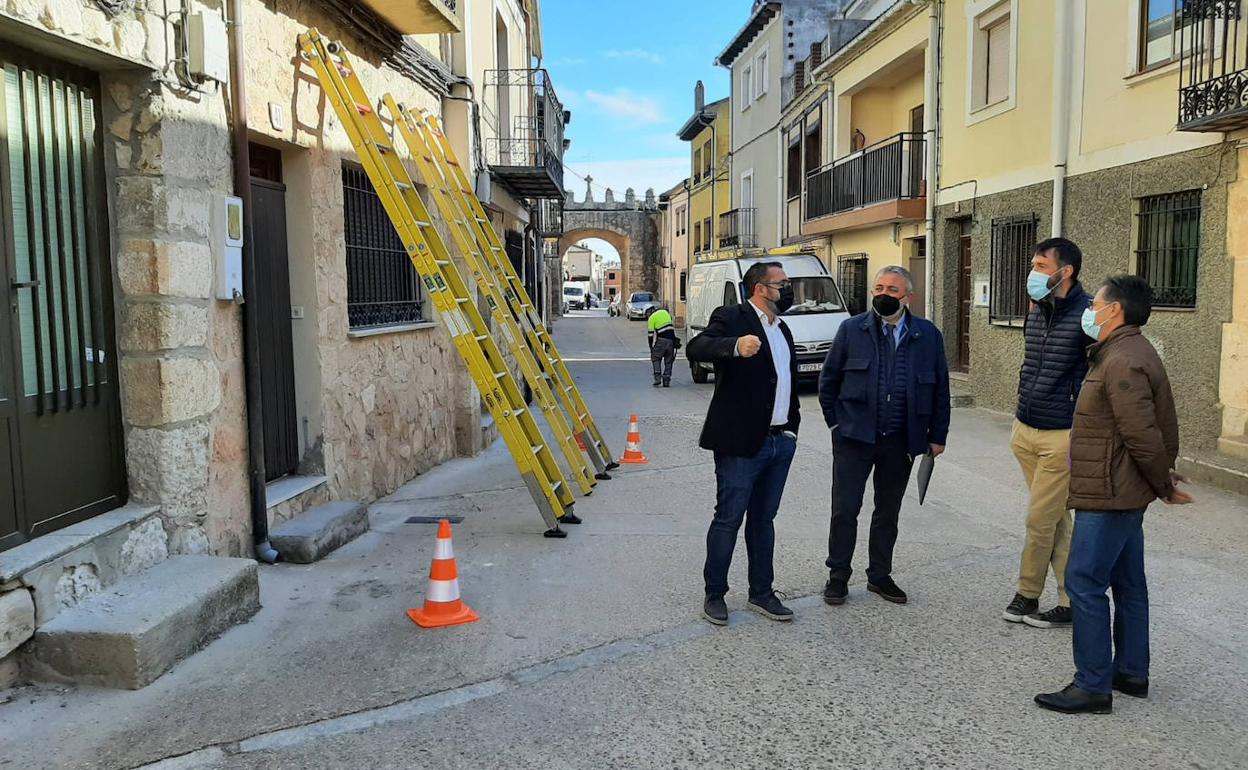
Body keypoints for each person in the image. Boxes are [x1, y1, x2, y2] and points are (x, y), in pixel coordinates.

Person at [1035, 275, 1192, 715]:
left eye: (1096, 303)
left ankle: (1092, 685)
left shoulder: (1122, 359)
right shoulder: (1125, 351)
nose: (1090, 309)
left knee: (1084, 583)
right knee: (1128, 583)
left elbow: (1141, 433)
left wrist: (1164, 485)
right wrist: (1158, 481)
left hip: (1110, 491)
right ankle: (1130, 672)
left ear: (1114, 310)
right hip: (1121, 487)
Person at [818, 266, 950, 606]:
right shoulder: (851, 330)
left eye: (892, 289)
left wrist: (938, 435)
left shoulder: (928, 335)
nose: (884, 294)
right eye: (879, 287)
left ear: (908, 296)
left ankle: (879, 575)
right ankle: (838, 576)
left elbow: (940, 391)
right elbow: (827, 383)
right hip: (854, 438)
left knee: (887, 511)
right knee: (845, 509)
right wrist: (836, 425)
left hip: (900, 440)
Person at [686, 262, 799, 626]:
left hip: (780, 441)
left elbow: (786, 381)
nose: (789, 289)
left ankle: (761, 593)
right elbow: (696, 347)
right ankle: (715, 594)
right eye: (782, 284)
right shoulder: (733, 316)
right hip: (739, 443)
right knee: (729, 518)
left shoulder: (783, 329)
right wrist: (734, 346)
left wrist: (792, 428)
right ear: (760, 289)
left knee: (764, 519)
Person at [1004, 238, 1092, 629]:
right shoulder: (1038, 311)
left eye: (1041, 266)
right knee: (1056, 519)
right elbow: (1029, 363)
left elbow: (1097, 377)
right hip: (1025, 428)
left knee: (1040, 519)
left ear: (1065, 271)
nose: (1034, 273)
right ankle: (1071, 599)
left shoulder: (1089, 316)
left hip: (1061, 434)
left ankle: (1026, 594)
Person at [647, 306, 680, 387]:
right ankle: (666, 380)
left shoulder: (651, 318)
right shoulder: (665, 313)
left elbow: (650, 335)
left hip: (661, 340)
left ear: (650, 312)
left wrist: (651, 347)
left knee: (655, 358)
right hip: (671, 341)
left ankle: (657, 378)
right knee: (669, 361)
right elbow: (670, 328)